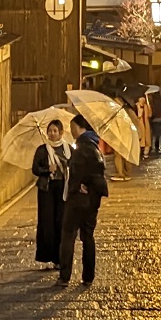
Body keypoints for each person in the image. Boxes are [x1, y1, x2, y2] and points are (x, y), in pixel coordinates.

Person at [58, 111, 108, 289]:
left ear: (81, 128)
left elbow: (77, 174)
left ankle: (64, 276)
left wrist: (77, 185)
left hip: (78, 201)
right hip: (92, 201)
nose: (71, 132)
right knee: (88, 237)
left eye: (73, 128)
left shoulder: (83, 148)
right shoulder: (95, 147)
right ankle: (88, 276)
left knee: (68, 235)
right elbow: (98, 172)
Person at [31, 118, 71, 266]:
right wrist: (48, 169)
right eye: (50, 131)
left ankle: (59, 258)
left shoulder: (68, 149)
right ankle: (47, 255)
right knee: (47, 223)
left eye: (55, 131)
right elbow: (35, 169)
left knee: (61, 222)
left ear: (61, 132)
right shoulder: (42, 150)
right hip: (46, 189)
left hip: (63, 188)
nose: (52, 133)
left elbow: (74, 166)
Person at [135, 92, 152, 162]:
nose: (142, 101)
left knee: (147, 139)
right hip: (139, 125)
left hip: (146, 124)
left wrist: (148, 103)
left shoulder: (146, 106)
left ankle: (145, 152)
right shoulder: (136, 106)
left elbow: (150, 114)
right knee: (139, 138)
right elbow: (136, 116)